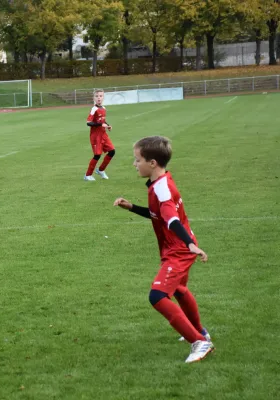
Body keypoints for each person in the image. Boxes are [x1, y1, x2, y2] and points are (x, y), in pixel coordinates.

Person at [113, 136, 214, 363]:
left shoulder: (161, 189)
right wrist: (131, 207)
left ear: (152, 163)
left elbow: (170, 219)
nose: (134, 164)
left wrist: (190, 245)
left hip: (179, 249)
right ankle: (201, 332)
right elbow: (158, 216)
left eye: (137, 159)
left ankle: (199, 341)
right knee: (178, 289)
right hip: (179, 245)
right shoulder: (162, 182)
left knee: (157, 296)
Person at [85, 89, 115, 181]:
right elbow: (88, 122)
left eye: (101, 96)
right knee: (97, 155)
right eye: (97, 96)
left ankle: (101, 170)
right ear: (94, 98)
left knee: (112, 151)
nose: (99, 98)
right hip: (96, 136)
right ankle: (88, 175)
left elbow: (102, 120)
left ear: (103, 97)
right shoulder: (94, 109)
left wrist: (108, 125)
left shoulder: (104, 108)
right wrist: (101, 125)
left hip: (103, 134)